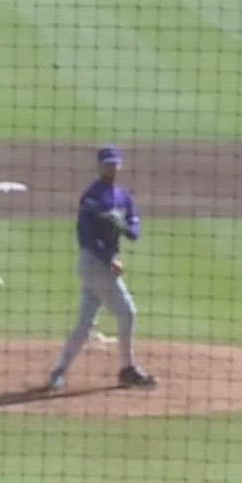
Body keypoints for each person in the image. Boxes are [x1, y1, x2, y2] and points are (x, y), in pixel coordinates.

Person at [46, 146, 155, 393]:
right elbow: (86, 237)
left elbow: (135, 232)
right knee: (127, 313)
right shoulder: (92, 197)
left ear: (120, 166)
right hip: (94, 263)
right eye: (107, 164)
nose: (111, 168)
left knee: (85, 324)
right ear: (99, 166)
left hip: (101, 266)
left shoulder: (124, 197)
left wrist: (123, 228)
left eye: (115, 164)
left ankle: (59, 371)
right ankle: (128, 370)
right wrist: (109, 259)